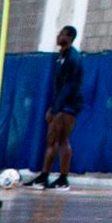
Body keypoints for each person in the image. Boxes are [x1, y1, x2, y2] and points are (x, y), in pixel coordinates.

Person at [30, 25, 84, 191]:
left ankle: (61, 178)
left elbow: (69, 86)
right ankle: (46, 176)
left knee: (58, 140)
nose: (58, 36)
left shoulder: (73, 58)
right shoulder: (61, 57)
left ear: (69, 37)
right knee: (55, 140)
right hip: (62, 103)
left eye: (61, 34)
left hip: (68, 105)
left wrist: (56, 108)